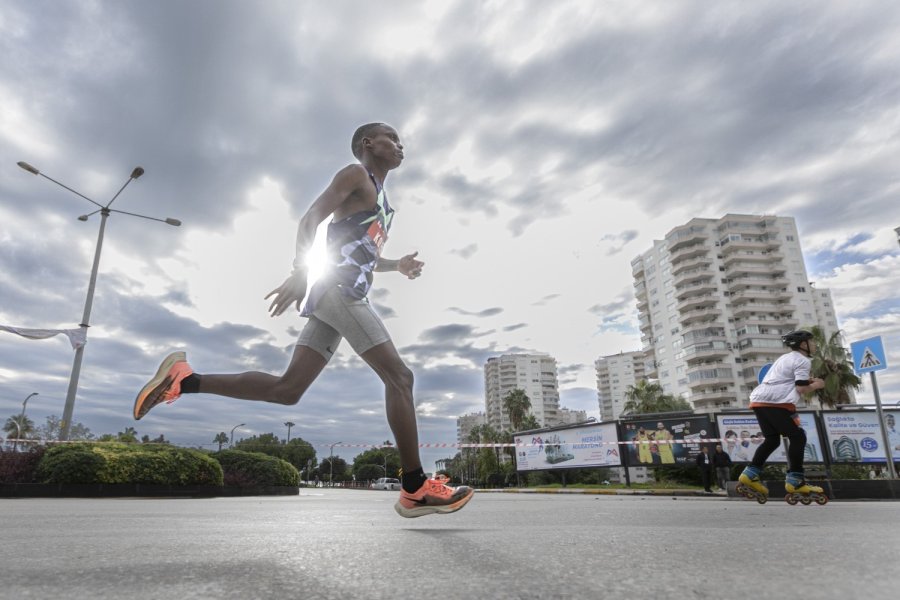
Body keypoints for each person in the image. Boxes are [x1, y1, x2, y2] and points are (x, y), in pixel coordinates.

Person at [133, 123, 474, 519]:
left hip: (341, 294)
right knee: (400, 377)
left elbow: (361, 251)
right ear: (368, 144)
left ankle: (184, 380)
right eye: (392, 138)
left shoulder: (381, 201)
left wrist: (397, 265)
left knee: (287, 389)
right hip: (338, 291)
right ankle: (415, 487)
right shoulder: (355, 175)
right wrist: (300, 270)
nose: (401, 146)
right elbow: (310, 219)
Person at [738, 330, 826, 500]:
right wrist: (817, 385)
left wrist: (809, 381)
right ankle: (795, 480)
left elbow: (786, 380)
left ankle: (749, 475)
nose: (814, 345)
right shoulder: (803, 361)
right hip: (776, 402)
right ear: (803, 344)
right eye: (811, 342)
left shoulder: (784, 358)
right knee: (798, 437)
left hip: (759, 400)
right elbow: (800, 388)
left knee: (772, 440)